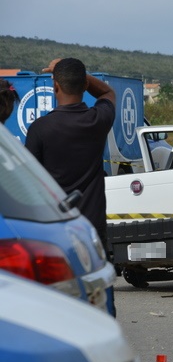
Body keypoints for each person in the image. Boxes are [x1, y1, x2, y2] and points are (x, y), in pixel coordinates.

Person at [24, 58, 116, 251]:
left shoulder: (39, 129)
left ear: (55, 86)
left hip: (56, 231)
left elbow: (29, 185)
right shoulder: (98, 120)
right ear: (85, 85)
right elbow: (107, 92)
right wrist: (81, 76)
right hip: (92, 231)